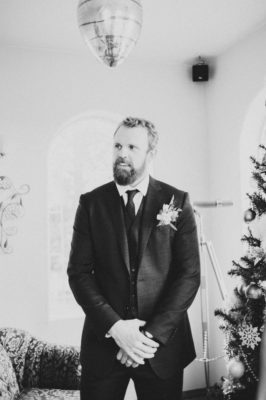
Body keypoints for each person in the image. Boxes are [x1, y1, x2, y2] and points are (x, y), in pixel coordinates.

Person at [67, 117, 201, 400]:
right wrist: (117, 329)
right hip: (104, 346)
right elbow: (78, 273)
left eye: (132, 146)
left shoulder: (177, 201)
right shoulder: (90, 204)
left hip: (159, 349)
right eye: (117, 145)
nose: (122, 153)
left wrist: (145, 339)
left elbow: (188, 276)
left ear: (151, 154)